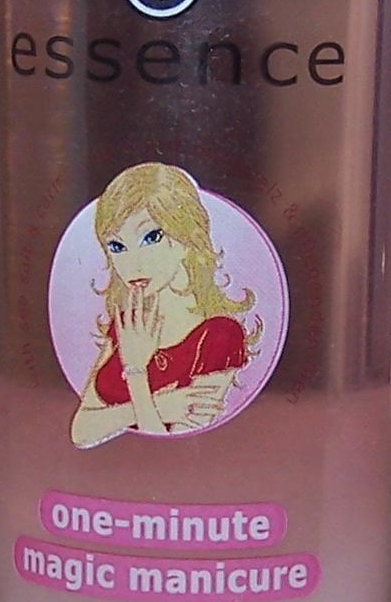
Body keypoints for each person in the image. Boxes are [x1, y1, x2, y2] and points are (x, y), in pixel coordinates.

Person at [69, 163, 259, 448]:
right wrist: (160, 405)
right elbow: (81, 432)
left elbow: (177, 453)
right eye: (117, 247)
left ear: (187, 238)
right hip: (108, 471)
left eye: (151, 237)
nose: (133, 263)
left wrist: (136, 375)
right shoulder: (128, 324)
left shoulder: (220, 337)